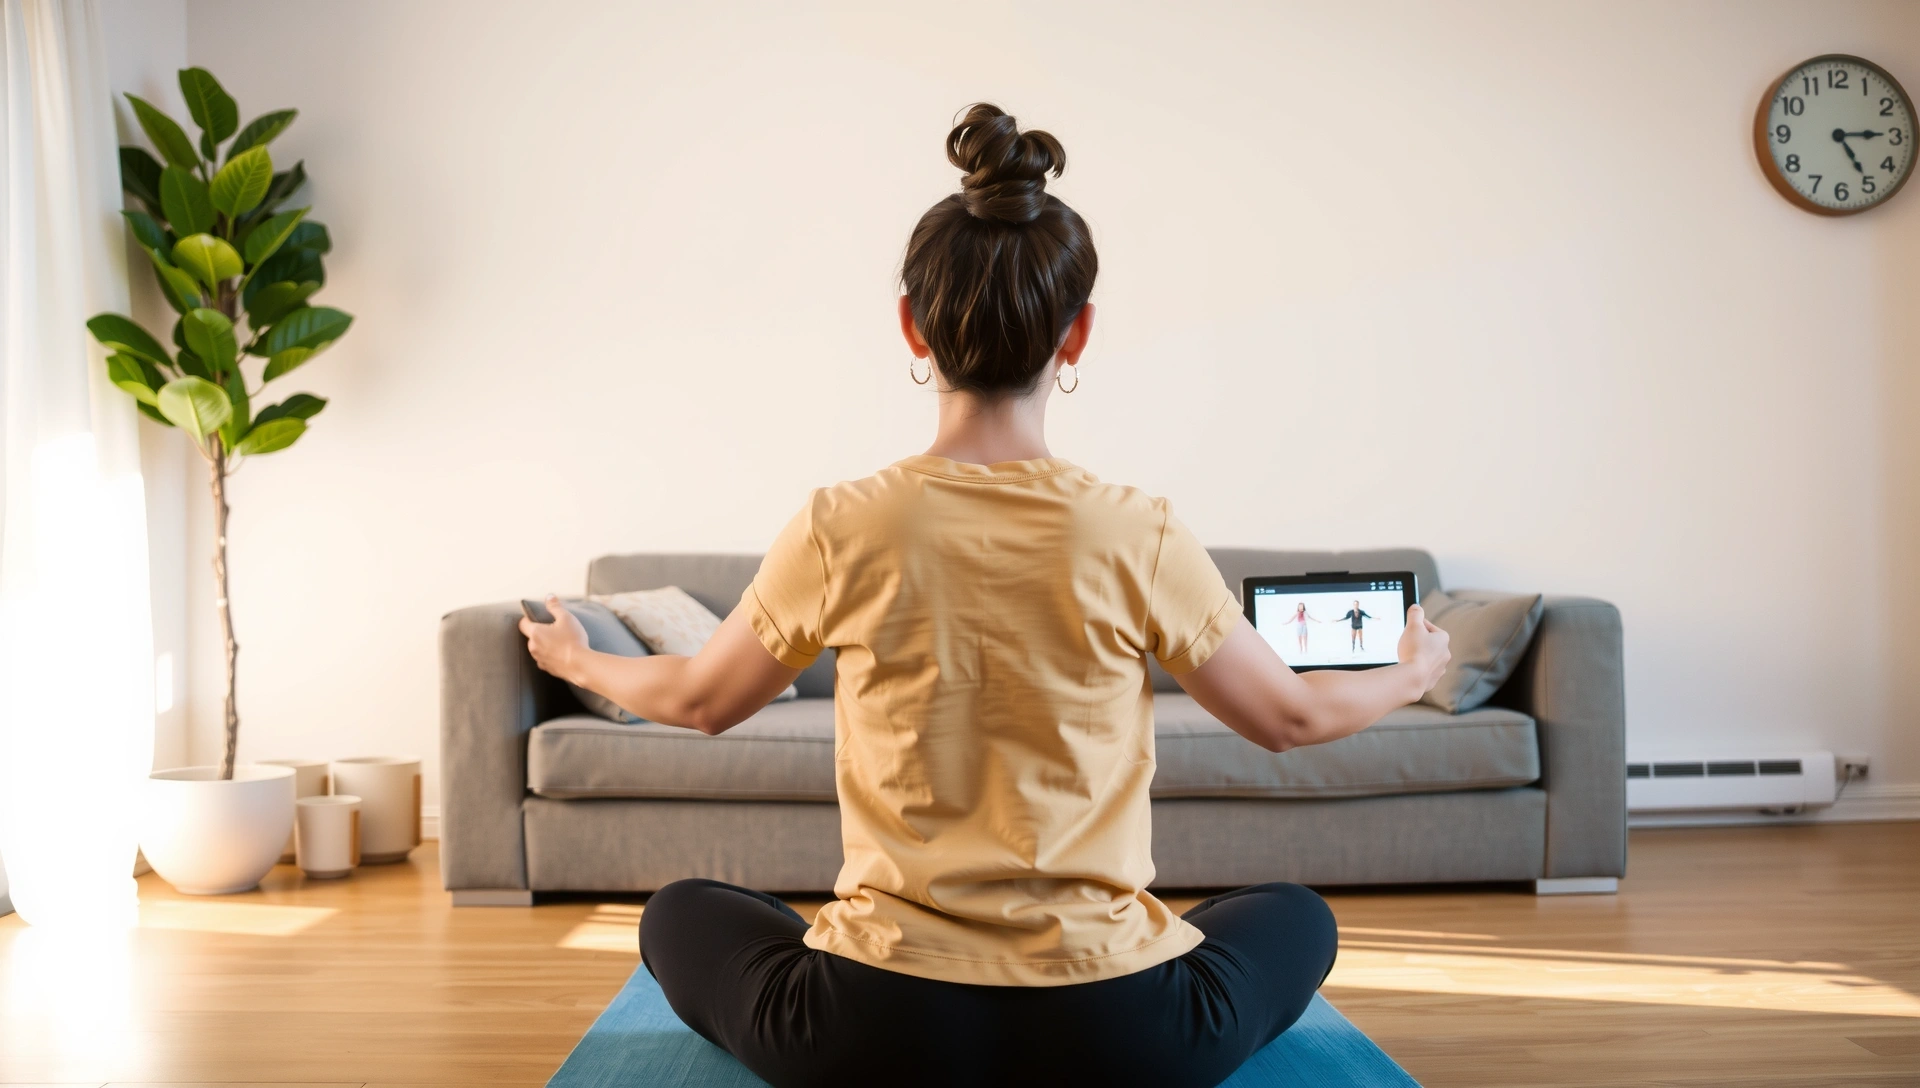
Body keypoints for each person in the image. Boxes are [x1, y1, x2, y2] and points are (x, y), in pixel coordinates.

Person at [519, 103, 1450, 1088]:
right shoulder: (1138, 528)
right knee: (1294, 913)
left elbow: (702, 699)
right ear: (1078, 332)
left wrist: (581, 658)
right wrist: (1412, 669)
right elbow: (1293, 715)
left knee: (680, 908)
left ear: (912, 322)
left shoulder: (843, 523)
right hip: (1117, 1031)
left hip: (877, 1029)